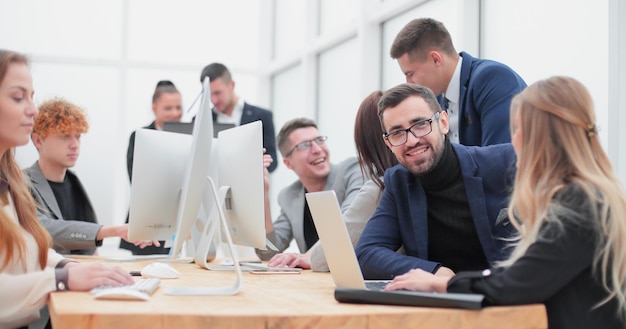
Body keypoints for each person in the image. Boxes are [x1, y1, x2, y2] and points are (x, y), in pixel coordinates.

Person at [384, 76, 626, 329]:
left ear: (540, 136)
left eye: (518, 129)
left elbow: (520, 281)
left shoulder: (581, 204)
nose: (514, 140)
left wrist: (441, 283)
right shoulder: (587, 196)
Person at [0, 49, 134, 329]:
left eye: (32, 97)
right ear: (39, 140)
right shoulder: (25, 181)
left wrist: (68, 268)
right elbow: (48, 229)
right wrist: (64, 276)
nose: (32, 110)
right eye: (17, 97)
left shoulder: (12, 182)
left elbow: (34, 242)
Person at [355, 83, 517, 280]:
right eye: (397, 133)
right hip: (444, 305)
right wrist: (435, 272)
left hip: (509, 301)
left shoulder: (503, 162)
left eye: (421, 124)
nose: (412, 140)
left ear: (443, 123)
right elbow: (366, 254)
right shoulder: (399, 182)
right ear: (388, 143)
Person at [25, 98, 156, 255]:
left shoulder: (73, 183)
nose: (75, 145)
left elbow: (88, 247)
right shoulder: (21, 183)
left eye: (78, 136)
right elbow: (44, 229)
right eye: (64, 136)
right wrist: (114, 230)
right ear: (38, 140)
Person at [390, 17, 526, 146]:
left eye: (410, 74)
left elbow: (502, 158)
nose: (408, 82)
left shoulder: (493, 79)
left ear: (435, 59)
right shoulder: (435, 101)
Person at [309, 91, 399, 272]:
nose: (316, 149)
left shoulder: (379, 187)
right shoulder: (409, 179)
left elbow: (320, 259)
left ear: (364, 142)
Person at [256, 118, 364, 267]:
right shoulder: (289, 196)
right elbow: (267, 252)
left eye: (319, 140)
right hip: (316, 281)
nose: (317, 149)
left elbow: (348, 223)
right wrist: (263, 195)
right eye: (305, 145)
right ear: (288, 163)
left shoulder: (352, 170)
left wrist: (309, 256)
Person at [121, 80, 182, 255]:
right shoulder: (139, 136)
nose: (175, 113)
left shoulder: (187, 136)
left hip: (178, 217)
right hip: (148, 218)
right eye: (168, 108)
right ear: (154, 108)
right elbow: (136, 179)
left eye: (178, 107)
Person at [199, 62, 278, 172]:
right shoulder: (199, 121)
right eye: (209, 94)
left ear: (231, 85)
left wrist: (257, 164)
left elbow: (273, 161)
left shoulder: (262, 116)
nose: (213, 100)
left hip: (250, 184)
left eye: (217, 93)